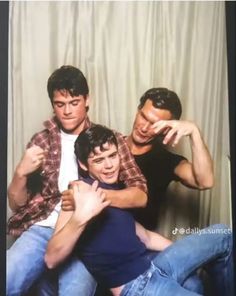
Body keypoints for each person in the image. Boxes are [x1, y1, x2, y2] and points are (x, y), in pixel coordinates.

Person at [7, 65, 148, 296]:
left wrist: (88, 200)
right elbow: (17, 205)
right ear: (53, 105)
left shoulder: (107, 140)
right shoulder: (42, 141)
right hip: (44, 228)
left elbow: (140, 195)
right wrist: (20, 173)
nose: (68, 111)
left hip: (89, 234)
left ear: (87, 100)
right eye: (60, 104)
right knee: (8, 277)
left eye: (74, 102)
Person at [45, 124, 233, 296]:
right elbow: (51, 259)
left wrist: (191, 257)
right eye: (99, 160)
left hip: (155, 266)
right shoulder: (79, 192)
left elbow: (146, 237)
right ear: (84, 165)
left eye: (112, 156)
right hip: (137, 286)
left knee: (224, 234)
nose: (109, 165)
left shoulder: (118, 191)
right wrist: (80, 218)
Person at [126, 87, 214, 229]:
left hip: (141, 246)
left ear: (167, 129)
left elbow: (206, 182)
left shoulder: (165, 161)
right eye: (143, 117)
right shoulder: (109, 148)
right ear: (138, 110)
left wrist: (194, 131)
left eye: (155, 124)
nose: (144, 128)